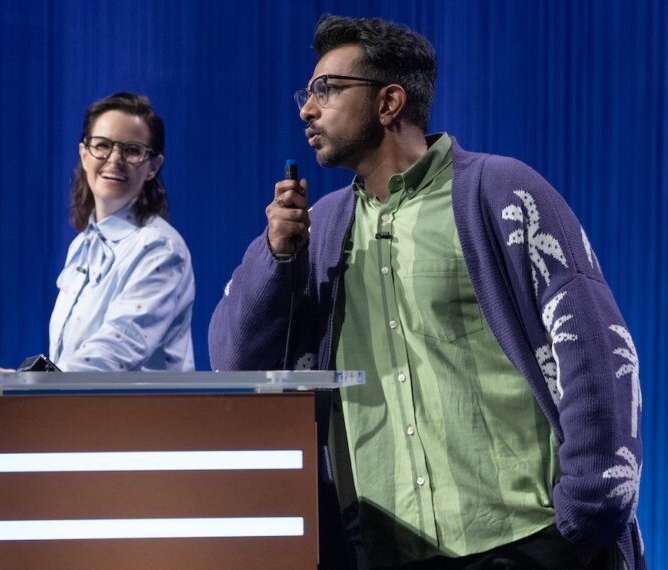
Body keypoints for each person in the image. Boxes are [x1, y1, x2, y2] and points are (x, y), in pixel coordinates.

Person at [209, 15, 643, 570]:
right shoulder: (321, 229)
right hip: (386, 550)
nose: (307, 109)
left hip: (526, 542)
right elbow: (233, 358)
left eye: (326, 89)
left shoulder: (500, 191)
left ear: (389, 102)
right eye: (307, 93)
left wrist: (587, 510)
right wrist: (276, 258)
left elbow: (596, 349)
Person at [48, 92, 195, 371]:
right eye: (102, 145)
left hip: (137, 414)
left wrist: (33, 382)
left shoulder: (161, 248)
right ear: (83, 154)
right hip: (77, 411)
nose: (114, 159)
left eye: (131, 150)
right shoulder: (81, 245)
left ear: (153, 166)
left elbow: (119, 346)